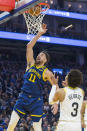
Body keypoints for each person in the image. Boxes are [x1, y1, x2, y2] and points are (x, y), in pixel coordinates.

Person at [7, 24, 57, 131]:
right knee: (11, 124)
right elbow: (29, 46)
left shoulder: (47, 72)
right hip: (23, 98)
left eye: (42, 55)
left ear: (46, 60)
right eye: (39, 54)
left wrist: (55, 103)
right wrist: (39, 34)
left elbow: (55, 86)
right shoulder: (30, 63)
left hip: (36, 101)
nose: (39, 55)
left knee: (37, 127)